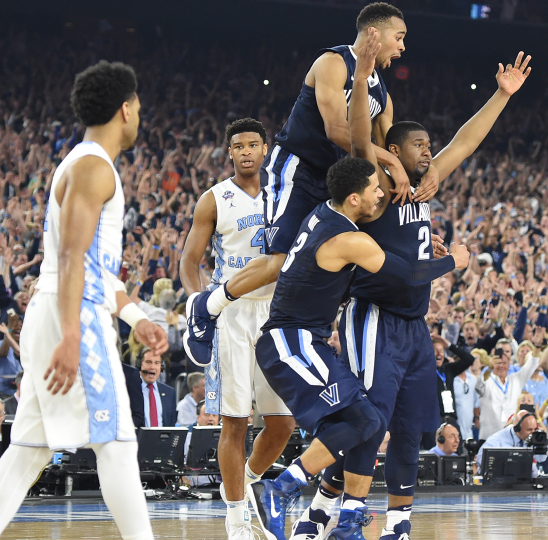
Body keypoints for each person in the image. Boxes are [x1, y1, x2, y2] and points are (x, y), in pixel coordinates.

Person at [182, 2, 421, 367]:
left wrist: (421, 193)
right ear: (374, 33)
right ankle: (206, 307)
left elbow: (390, 150)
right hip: (299, 167)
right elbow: (336, 130)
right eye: (399, 37)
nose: (403, 47)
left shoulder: (382, 94)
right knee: (281, 260)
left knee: (342, 262)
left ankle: (309, 335)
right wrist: (389, 161)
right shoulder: (333, 62)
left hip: (337, 180)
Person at [245, 155, 468, 540]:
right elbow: (410, 275)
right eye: (373, 190)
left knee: (365, 421)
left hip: (304, 339)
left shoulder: (325, 214)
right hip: (290, 340)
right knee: (363, 421)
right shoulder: (347, 239)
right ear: (353, 199)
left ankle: (306, 505)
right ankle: (279, 490)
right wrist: (453, 262)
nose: (381, 193)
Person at [0, 61, 168, 540]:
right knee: (116, 441)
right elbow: (74, 258)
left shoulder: (83, 163)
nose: (139, 114)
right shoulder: (93, 166)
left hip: (56, 308)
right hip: (73, 314)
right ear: (125, 109)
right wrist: (73, 334)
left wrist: (136, 318)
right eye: (138, 106)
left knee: (28, 447)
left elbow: (89, 268)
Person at [179, 118, 297, 539]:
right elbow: (189, 261)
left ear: (265, 149)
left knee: (283, 424)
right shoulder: (214, 199)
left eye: (252, 144)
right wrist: (198, 303)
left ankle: (245, 484)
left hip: (278, 313)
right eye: (238, 146)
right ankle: (236, 520)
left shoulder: (285, 195)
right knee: (235, 422)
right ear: (229, 152)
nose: (245, 151)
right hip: (232, 312)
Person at [130, 340, 177, 428]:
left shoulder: (170, 393)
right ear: (139, 364)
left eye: (157, 363)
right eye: (148, 362)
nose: (152, 367)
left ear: (161, 367)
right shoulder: (130, 391)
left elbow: (171, 426)